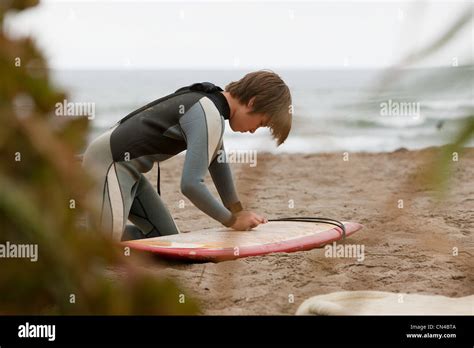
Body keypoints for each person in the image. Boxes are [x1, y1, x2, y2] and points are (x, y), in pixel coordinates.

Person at [82, 70, 292, 241]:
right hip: (110, 162)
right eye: (261, 123)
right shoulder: (209, 112)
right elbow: (191, 185)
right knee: (103, 245)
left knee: (164, 239)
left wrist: (238, 210)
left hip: (130, 171)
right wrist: (231, 221)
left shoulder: (212, 107)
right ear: (253, 103)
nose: (255, 130)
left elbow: (219, 164)